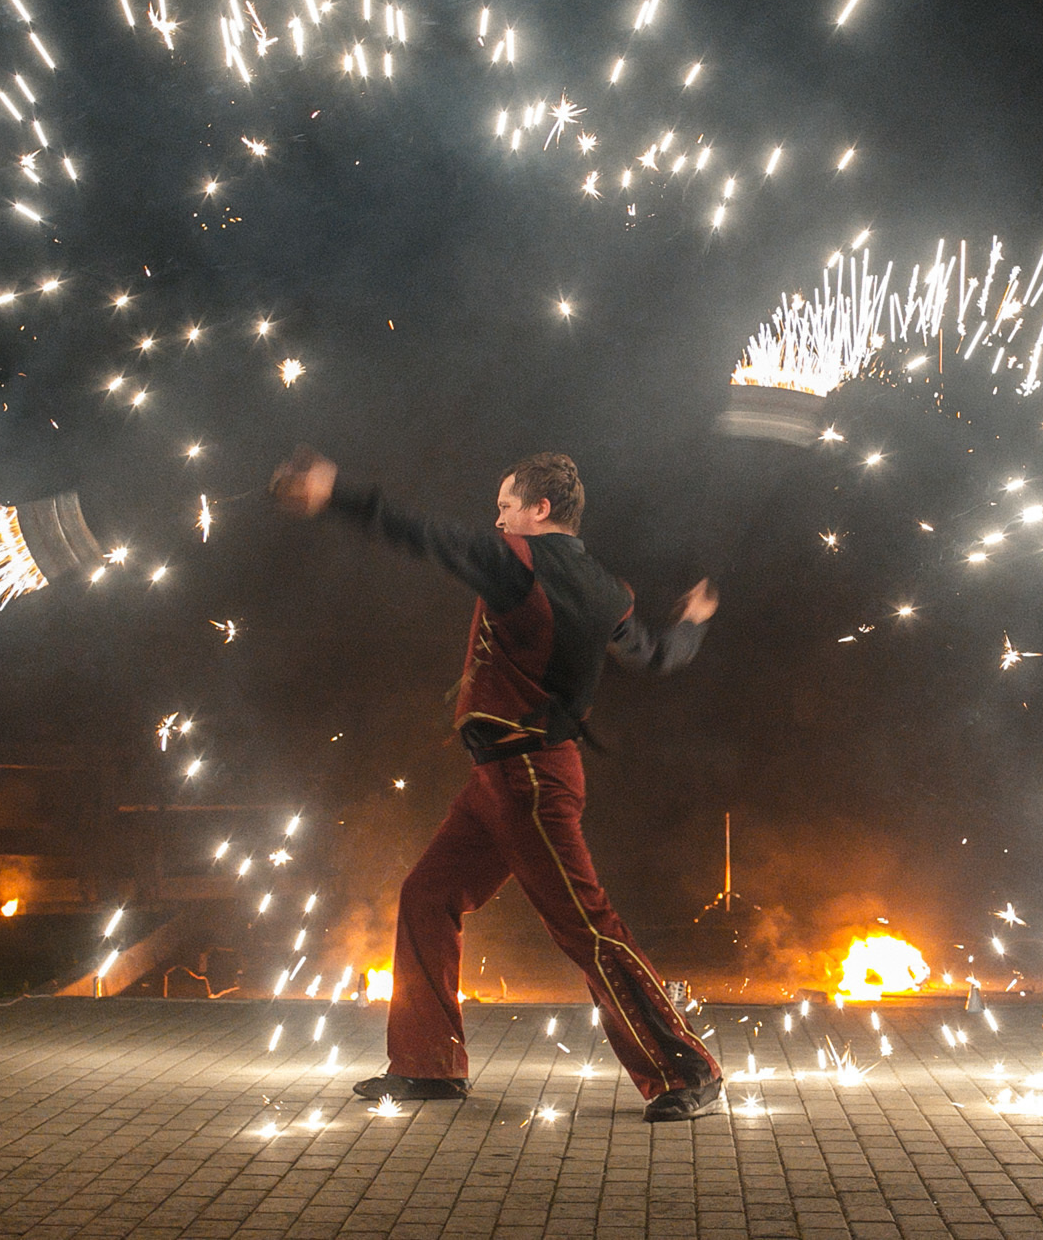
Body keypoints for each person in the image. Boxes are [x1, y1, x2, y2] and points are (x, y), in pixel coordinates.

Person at [271, 448, 726, 1122]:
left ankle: (687, 1067)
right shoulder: (609, 590)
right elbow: (656, 655)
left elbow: (421, 534)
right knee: (427, 893)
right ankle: (428, 1066)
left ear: (539, 511)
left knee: (587, 927)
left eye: (507, 505)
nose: (498, 517)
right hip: (504, 780)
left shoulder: (519, 562)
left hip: (530, 782)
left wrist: (338, 493)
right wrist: (693, 622)